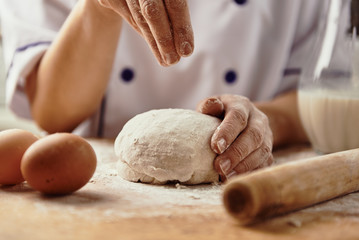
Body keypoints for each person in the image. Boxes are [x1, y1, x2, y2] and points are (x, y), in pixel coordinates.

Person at [0, 0, 322, 180]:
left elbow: (320, 97)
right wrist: (98, 8)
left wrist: (264, 123)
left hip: (241, 176)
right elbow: (52, 111)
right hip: (104, 183)